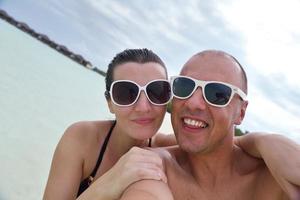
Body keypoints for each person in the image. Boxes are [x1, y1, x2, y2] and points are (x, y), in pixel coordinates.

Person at [120, 50, 300, 200]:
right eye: (184, 86)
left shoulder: (275, 180)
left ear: (241, 113)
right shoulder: (153, 169)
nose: (193, 103)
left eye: (217, 93)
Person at [43, 48, 177, 200]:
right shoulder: (82, 139)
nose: (143, 107)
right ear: (110, 103)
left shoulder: (168, 147)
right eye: (126, 93)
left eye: (157, 92)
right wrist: (112, 181)